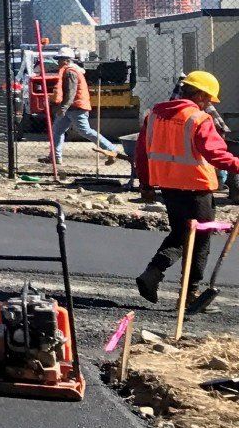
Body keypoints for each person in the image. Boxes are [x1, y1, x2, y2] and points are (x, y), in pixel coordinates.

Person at [131, 70, 239, 306]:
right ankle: (190, 295)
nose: (209, 104)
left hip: (169, 187)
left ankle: (152, 273)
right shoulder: (198, 118)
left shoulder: (155, 115)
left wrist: (146, 184)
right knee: (199, 240)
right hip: (196, 188)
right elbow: (215, 154)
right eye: (208, 99)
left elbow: (141, 152)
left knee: (180, 233)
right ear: (199, 94)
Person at [48, 55, 123, 164]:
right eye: (58, 59)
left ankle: (112, 150)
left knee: (85, 130)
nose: (58, 62)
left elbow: (71, 92)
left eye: (60, 59)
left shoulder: (71, 72)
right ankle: (54, 157)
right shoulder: (68, 71)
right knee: (57, 130)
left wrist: (63, 108)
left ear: (67, 60)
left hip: (76, 107)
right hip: (70, 107)